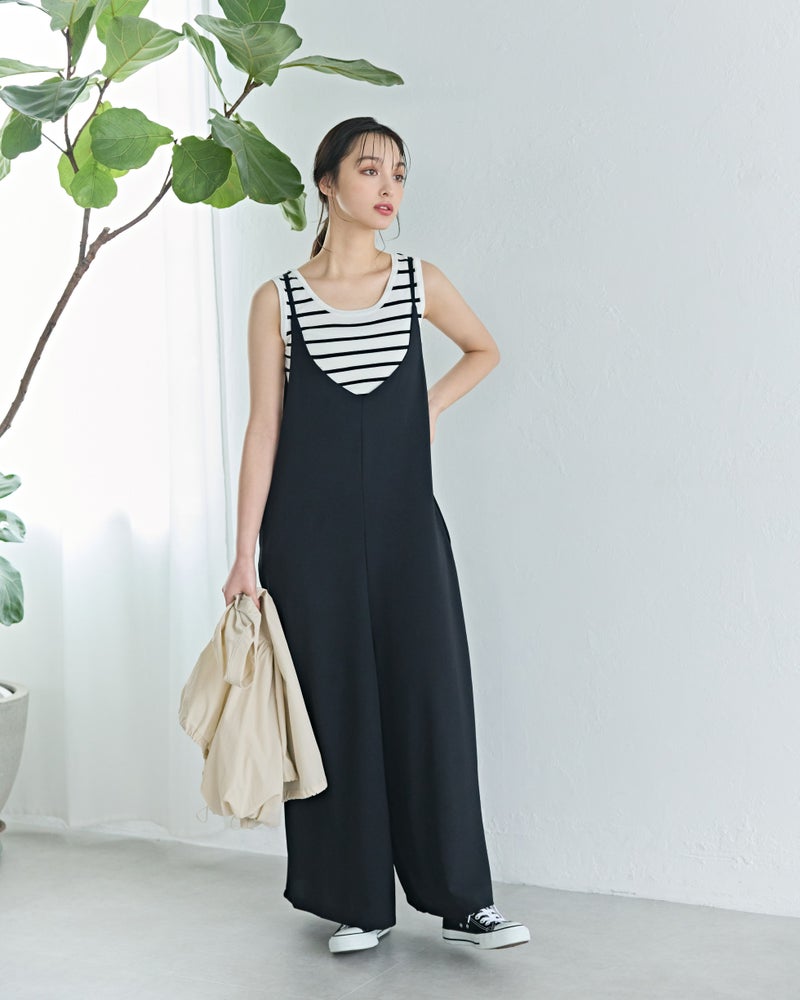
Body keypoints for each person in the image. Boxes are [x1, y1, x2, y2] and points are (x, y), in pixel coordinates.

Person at [222, 116, 530, 955]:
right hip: (307, 538)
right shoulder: (278, 300)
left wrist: (425, 408)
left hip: (404, 529)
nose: (388, 186)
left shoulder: (417, 282)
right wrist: (244, 553)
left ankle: (464, 902)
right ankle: (356, 901)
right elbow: (263, 429)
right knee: (335, 712)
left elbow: (483, 349)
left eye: (398, 172)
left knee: (432, 702)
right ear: (326, 183)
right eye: (369, 170)